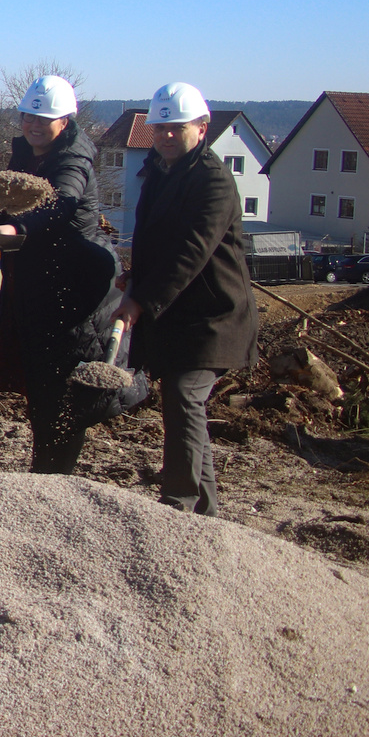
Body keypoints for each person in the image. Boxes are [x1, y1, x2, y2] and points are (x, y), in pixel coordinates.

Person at [114, 82, 258, 517]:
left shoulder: (213, 181)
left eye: (177, 128)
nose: (166, 135)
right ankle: (207, 516)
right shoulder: (161, 172)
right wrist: (135, 279)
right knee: (184, 408)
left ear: (202, 127)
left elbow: (190, 253)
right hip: (178, 314)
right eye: (160, 128)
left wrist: (143, 301)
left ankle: (177, 505)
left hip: (214, 316)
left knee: (183, 396)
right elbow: (156, 241)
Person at [0, 74, 122, 473]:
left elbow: (61, 202)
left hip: (70, 295)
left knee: (60, 396)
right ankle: (45, 476)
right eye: (29, 116)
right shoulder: (25, 154)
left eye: (44, 118)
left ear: (65, 121)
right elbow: (9, 196)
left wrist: (18, 228)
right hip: (35, 290)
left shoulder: (72, 157)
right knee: (39, 390)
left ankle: (55, 479)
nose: (34, 124)